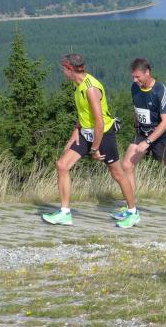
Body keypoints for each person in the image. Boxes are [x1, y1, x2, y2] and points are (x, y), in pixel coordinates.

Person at [42, 54, 140, 228]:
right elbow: (84, 113)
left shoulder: (91, 88)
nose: (63, 72)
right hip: (85, 132)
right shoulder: (77, 84)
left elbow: (99, 122)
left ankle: (133, 212)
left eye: (64, 69)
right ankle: (65, 213)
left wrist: (94, 150)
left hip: (103, 134)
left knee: (117, 174)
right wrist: (76, 131)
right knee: (62, 165)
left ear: (70, 69)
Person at [112, 58, 166, 222]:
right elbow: (137, 108)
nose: (135, 80)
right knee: (126, 166)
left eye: (138, 76)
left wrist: (148, 142)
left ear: (147, 73)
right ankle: (131, 208)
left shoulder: (160, 90)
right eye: (133, 77)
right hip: (142, 133)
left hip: (162, 137)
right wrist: (137, 126)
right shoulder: (134, 87)